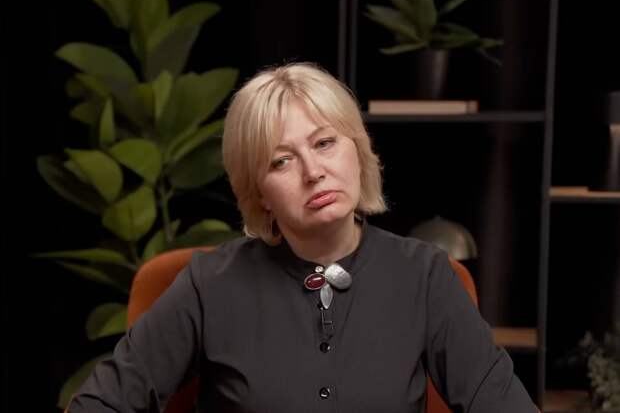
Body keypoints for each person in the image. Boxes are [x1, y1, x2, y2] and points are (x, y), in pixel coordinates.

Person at [67, 62, 538, 412]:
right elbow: (100, 403)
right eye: (282, 161)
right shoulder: (208, 285)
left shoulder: (425, 277)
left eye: (325, 143)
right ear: (259, 192)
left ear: (358, 150)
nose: (314, 172)